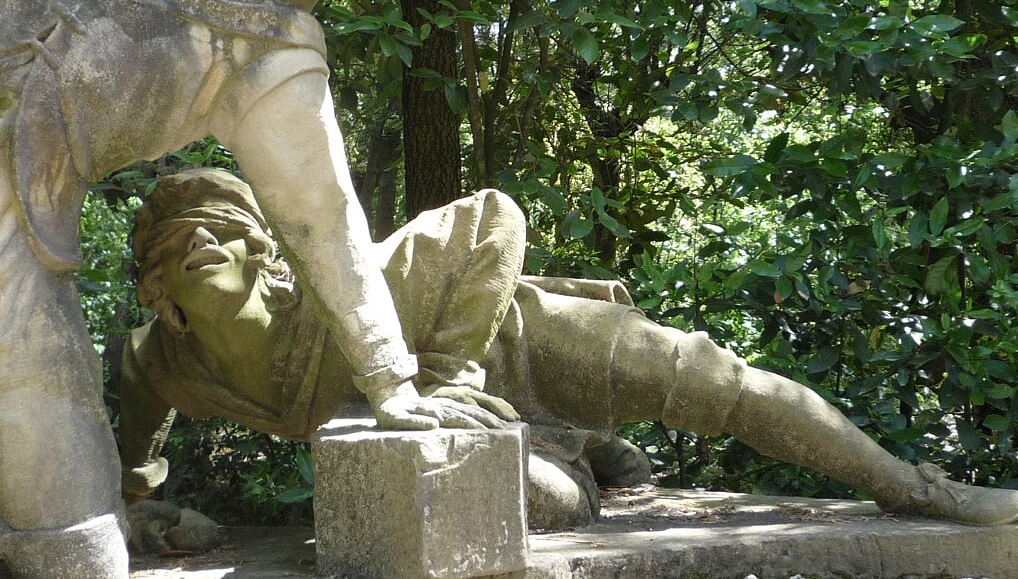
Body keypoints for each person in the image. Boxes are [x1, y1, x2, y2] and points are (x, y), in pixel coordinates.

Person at [0, 0, 492, 576]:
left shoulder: (273, 59)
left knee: (78, 544)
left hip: (14, 246)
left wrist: (392, 380)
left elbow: (324, 221)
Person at [120, 168, 1018, 533]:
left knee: (715, 381)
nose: (202, 241)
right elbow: (122, 464)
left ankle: (917, 488)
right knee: (532, 501)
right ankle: (573, 454)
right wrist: (136, 514)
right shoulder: (158, 365)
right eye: (176, 243)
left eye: (222, 226)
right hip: (465, 433)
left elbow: (491, 215)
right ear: (156, 288)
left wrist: (447, 377)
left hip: (526, 337)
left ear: (265, 249)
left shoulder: (345, 291)